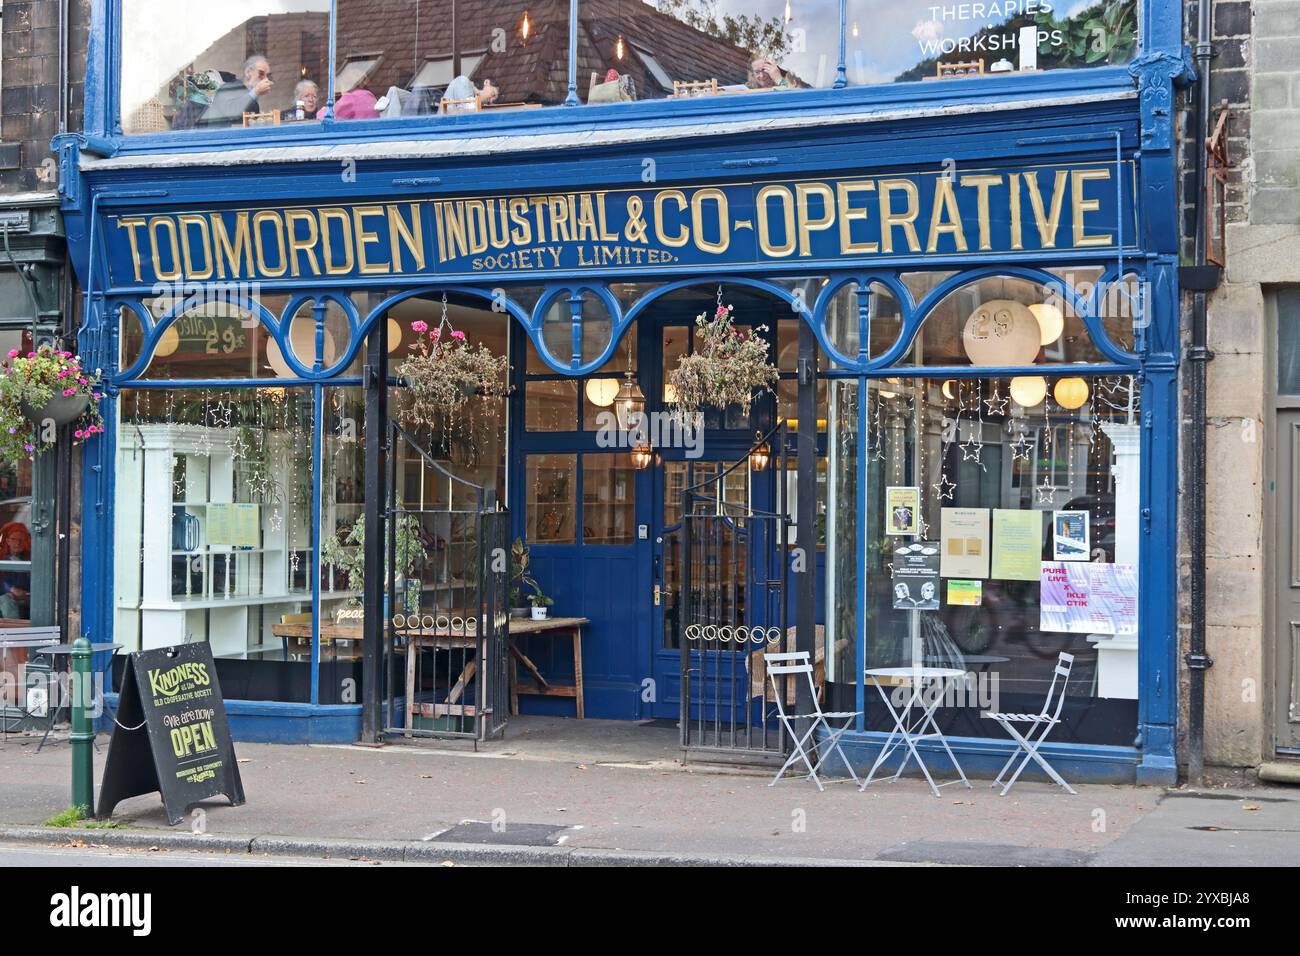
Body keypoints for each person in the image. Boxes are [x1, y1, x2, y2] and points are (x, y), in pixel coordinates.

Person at [198, 54, 275, 127]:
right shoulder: (228, 88)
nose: (266, 79)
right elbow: (233, 113)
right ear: (248, 72)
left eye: (268, 76)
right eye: (261, 73)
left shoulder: (251, 98)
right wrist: (256, 91)